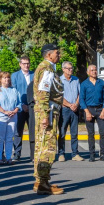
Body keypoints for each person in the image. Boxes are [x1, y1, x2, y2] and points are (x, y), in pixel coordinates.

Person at [33, 43, 64, 195]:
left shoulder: (47, 67)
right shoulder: (47, 68)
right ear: (49, 54)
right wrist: (46, 115)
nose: (59, 55)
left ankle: (40, 180)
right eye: (57, 53)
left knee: (41, 145)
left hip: (47, 110)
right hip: (49, 111)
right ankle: (43, 183)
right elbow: (43, 93)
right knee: (48, 146)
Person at [80, 65, 104, 162]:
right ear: (88, 72)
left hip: (100, 109)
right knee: (91, 133)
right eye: (92, 70)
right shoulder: (84, 84)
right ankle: (92, 154)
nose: (94, 72)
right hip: (89, 109)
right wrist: (87, 112)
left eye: (95, 70)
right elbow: (81, 99)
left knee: (103, 133)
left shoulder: (102, 83)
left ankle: (103, 154)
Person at [58, 61, 83, 162]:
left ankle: (75, 154)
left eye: (71, 68)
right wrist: (69, 105)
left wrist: (76, 104)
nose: (70, 70)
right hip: (64, 109)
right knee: (62, 132)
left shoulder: (76, 79)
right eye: (68, 68)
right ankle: (61, 153)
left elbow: (79, 94)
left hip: (75, 109)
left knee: (74, 133)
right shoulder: (59, 80)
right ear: (63, 69)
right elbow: (59, 96)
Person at [11, 56, 34, 161]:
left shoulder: (34, 75)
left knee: (32, 131)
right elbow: (14, 92)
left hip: (32, 107)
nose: (26, 65)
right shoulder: (15, 76)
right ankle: (17, 153)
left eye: (28, 63)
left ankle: (33, 154)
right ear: (20, 64)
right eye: (24, 63)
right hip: (20, 108)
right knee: (18, 132)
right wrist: (21, 105)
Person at [0, 72, 22, 165]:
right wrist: (4, 111)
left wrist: (15, 110)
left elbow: (19, 103)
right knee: (0, 139)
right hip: (1, 117)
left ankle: (9, 157)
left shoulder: (14, 90)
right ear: (0, 79)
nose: (7, 80)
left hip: (13, 117)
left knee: (9, 138)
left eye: (8, 78)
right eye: (4, 78)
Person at [27, 80, 35, 161]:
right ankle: (33, 155)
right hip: (34, 111)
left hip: (44, 113)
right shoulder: (32, 84)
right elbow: (30, 99)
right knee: (33, 133)